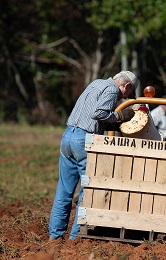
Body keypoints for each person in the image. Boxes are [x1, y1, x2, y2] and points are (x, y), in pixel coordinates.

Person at [49, 71, 138, 240]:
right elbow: (98, 113)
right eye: (128, 93)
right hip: (84, 140)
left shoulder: (96, 83)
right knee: (87, 189)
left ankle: (55, 236)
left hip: (68, 136)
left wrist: (111, 124)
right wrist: (120, 116)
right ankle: (76, 237)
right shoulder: (113, 90)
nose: (124, 98)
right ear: (126, 86)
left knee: (64, 190)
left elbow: (94, 114)